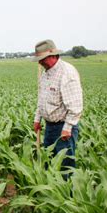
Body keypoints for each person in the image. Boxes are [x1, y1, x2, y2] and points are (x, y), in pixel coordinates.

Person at [32, 39, 83, 178]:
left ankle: (67, 196)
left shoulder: (67, 73)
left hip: (63, 129)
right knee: (49, 161)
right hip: (49, 127)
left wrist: (67, 128)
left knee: (65, 167)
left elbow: (76, 106)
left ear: (53, 56)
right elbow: (41, 99)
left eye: (42, 59)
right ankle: (52, 193)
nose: (40, 62)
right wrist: (37, 119)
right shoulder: (45, 73)